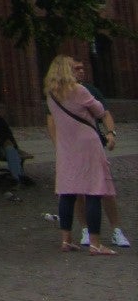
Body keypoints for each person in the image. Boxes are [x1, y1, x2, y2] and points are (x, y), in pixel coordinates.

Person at [44, 55, 118, 256]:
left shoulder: (51, 95)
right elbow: (100, 110)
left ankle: (66, 239)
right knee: (94, 190)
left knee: (67, 193)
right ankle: (95, 243)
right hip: (87, 144)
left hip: (66, 146)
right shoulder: (79, 90)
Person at [70, 61, 129, 248]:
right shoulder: (61, 92)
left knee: (105, 188)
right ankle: (86, 229)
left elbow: (105, 113)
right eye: (76, 68)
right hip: (73, 148)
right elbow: (52, 122)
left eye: (82, 68)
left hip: (93, 145)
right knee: (79, 191)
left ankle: (116, 230)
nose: (81, 71)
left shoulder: (91, 90)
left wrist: (111, 133)